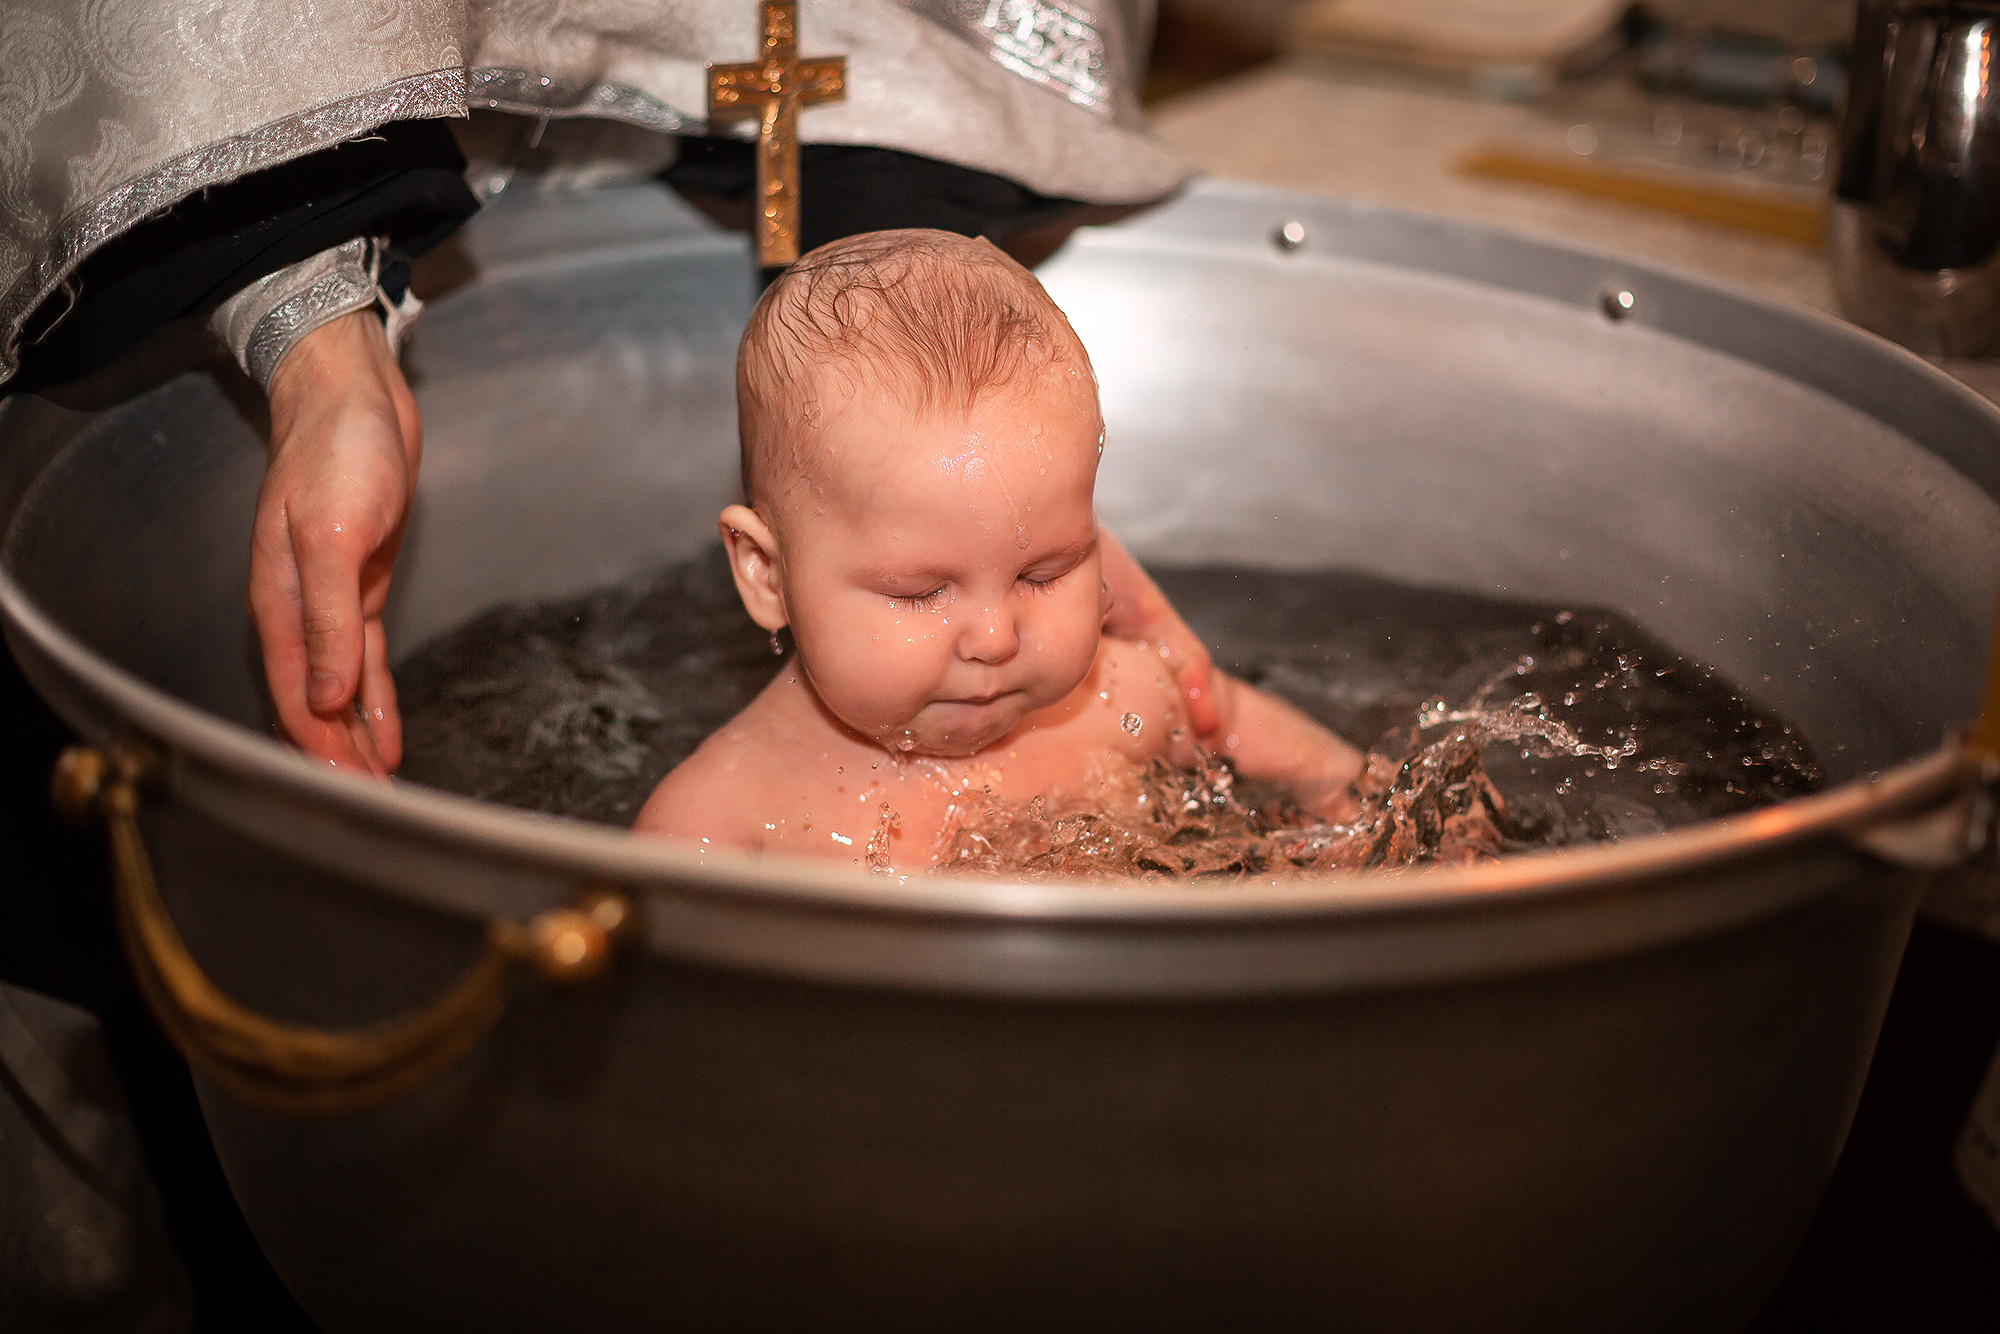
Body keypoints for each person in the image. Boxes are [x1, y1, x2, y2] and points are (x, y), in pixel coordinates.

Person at [633, 230, 1363, 866]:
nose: (996, 636)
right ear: (766, 573)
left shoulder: (1120, 700)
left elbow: (1288, 754)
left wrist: (1361, 806)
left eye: (1045, 572)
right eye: (919, 592)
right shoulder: (720, 825)